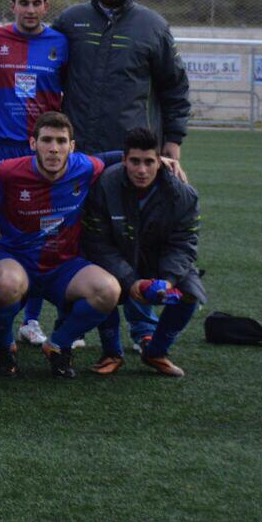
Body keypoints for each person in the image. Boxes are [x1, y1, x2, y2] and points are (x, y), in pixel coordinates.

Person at [53, 0, 192, 349]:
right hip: (79, 155)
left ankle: (143, 327)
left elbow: (175, 89)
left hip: (132, 159)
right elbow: (44, 72)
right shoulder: (71, 21)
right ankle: (74, 320)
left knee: (138, 241)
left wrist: (172, 146)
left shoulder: (152, 26)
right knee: (77, 238)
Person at [0, 112, 119, 379]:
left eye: (61, 141)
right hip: (15, 257)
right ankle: (5, 345)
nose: (54, 148)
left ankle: (58, 344)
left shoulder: (84, 166)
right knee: (7, 284)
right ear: (33, 143)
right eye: (47, 140)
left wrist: (161, 159)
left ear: (72, 146)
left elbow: (111, 158)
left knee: (108, 290)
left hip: (64, 264)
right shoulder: (8, 170)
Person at [0, 0, 68, 347]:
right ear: (12, 6)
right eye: (23, 3)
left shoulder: (60, 43)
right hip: (2, 148)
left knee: (42, 235)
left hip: (43, 154)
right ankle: (1, 321)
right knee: (2, 234)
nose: (30, 10)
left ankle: (31, 320)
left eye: (36, 3)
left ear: (46, 6)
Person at [82, 127, 204, 377]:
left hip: (159, 262)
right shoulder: (105, 185)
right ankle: (111, 353)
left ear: (160, 161)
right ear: (124, 160)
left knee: (191, 292)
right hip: (117, 259)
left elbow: (184, 244)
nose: (142, 170)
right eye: (135, 161)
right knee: (102, 285)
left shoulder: (183, 194)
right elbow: (97, 244)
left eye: (149, 162)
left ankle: (156, 352)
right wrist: (131, 281)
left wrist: (168, 280)